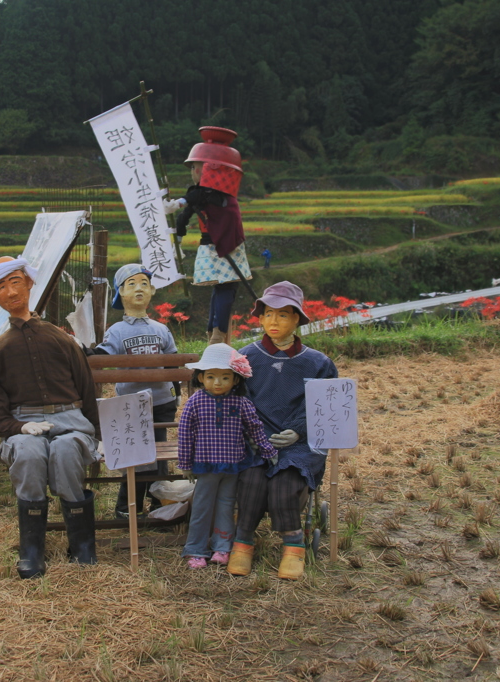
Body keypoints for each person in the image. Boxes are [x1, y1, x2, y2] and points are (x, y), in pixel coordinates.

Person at [0, 256, 101, 579]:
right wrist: (20, 427)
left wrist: (97, 435)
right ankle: (32, 549)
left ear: (30, 283)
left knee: (65, 451)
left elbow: (86, 390)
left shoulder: (62, 340)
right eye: (1, 287)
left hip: (71, 420)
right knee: (30, 454)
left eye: (16, 282)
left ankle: (82, 544)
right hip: (22, 425)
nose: (10, 292)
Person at [228, 282, 338, 580]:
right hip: (254, 440)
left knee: (285, 484)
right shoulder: (243, 359)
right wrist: (253, 433)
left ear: (298, 319)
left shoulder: (318, 364)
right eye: (269, 314)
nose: (274, 322)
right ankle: (243, 542)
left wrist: (299, 432)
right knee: (251, 479)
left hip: (300, 445)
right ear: (260, 318)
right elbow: (236, 401)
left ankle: (293, 544)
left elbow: (323, 408)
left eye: (284, 315)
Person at [177, 344, 277, 568]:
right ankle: (196, 549)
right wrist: (185, 463)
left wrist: (268, 451)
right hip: (205, 465)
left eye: (225, 377)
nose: (218, 383)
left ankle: (222, 546)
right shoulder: (195, 402)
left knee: (226, 505)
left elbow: (255, 428)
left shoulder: (241, 403)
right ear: (201, 378)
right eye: (211, 377)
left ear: (236, 380)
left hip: (233, 464)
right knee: (202, 507)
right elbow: (185, 434)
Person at [92, 263, 178, 518]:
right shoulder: (116, 331)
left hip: (162, 401)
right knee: (134, 453)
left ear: (151, 290)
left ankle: (160, 504)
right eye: (131, 284)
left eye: (143, 283)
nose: (139, 289)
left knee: (159, 454)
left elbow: (173, 362)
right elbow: (103, 355)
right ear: (121, 293)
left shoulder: (161, 329)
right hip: (130, 404)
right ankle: (127, 507)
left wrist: (177, 394)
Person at [163, 126, 252, 344]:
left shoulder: (214, 196)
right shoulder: (211, 196)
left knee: (222, 287)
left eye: (195, 167)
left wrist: (178, 209)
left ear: (210, 169)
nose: (192, 172)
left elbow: (191, 201)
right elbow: (190, 203)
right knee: (226, 288)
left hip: (219, 245)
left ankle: (216, 332)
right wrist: (178, 226)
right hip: (220, 245)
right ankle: (217, 334)